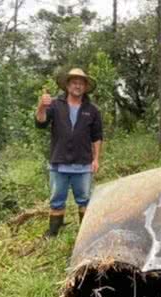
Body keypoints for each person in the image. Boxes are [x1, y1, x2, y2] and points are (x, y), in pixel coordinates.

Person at [35, 68, 103, 238]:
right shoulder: (55, 105)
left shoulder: (92, 110)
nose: (77, 86)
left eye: (81, 83)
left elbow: (97, 137)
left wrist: (96, 159)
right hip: (59, 163)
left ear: (85, 87)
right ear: (67, 85)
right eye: (74, 82)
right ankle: (53, 232)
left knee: (85, 200)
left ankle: (85, 234)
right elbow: (40, 123)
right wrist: (41, 106)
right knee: (57, 199)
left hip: (83, 163)